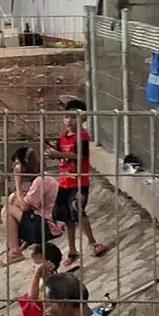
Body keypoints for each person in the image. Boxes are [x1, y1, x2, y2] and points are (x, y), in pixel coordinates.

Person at [54, 102, 107, 257]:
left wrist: (59, 155)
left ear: (81, 118)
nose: (69, 120)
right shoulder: (62, 137)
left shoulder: (82, 136)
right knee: (64, 216)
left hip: (79, 183)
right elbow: (60, 156)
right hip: (64, 182)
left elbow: (79, 156)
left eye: (73, 117)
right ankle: (72, 250)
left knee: (78, 211)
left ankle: (93, 243)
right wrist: (53, 154)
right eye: (66, 117)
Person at [0, 145, 57, 264]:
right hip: (46, 221)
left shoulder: (40, 180)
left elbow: (25, 206)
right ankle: (17, 241)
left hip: (48, 228)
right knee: (13, 198)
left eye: (17, 164)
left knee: (7, 210)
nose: (16, 167)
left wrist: (17, 182)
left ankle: (15, 252)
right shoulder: (41, 177)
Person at [15, 242, 65, 316]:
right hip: (44, 315)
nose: (34, 266)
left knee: (35, 304)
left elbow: (32, 297)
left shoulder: (52, 279)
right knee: (25, 300)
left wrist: (36, 274)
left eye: (37, 263)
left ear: (49, 265)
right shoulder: (41, 279)